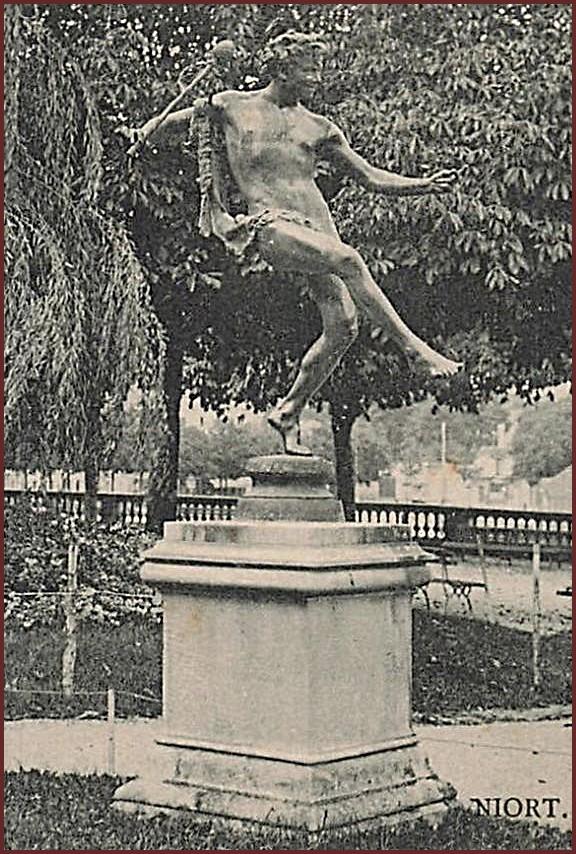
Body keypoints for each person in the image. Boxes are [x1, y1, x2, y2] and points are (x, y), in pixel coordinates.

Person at [131, 31, 462, 455]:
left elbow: (369, 176)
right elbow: (173, 125)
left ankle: (288, 411)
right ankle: (414, 350)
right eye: (309, 70)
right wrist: (141, 132)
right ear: (283, 69)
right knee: (349, 259)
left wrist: (422, 184)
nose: (316, 78)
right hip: (268, 224)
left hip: (317, 226)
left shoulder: (320, 127)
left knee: (343, 326)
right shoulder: (232, 105)